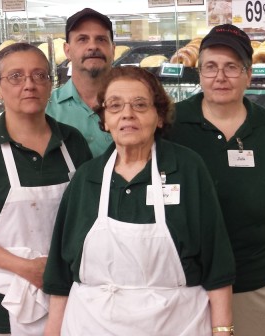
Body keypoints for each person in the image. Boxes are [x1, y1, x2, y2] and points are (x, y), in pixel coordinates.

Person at [43, 66, 236, 336]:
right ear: (105, 119)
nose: (127, 114)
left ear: (159, 117)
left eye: (140, 105)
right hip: (92, 325)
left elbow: (217, 265)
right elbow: (60, 274)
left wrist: (223, 330)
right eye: (115, 106)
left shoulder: (187, 168)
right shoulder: (87, 178)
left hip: (175, 325)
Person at [167, 24, 265, 336]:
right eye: (211, 67)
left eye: (232, 67)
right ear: (199, 73)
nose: (220, 77)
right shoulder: (171, 125)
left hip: (257, 282)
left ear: (249, 74)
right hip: (187, 286)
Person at [0, 43, 93, 336]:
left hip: (72, 296)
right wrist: (26, 267)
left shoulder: (72, 142)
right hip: (0, 305)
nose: (29, 85)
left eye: (40, 75)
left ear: (50, 85)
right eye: (16, 76)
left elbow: (90, 215)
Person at [46, 8, 115, 157]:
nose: (93, 46)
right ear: (67, 50)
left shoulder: (137, 108)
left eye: (101, 39)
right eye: (82, 39)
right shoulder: (46, 110)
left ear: (113, 50)